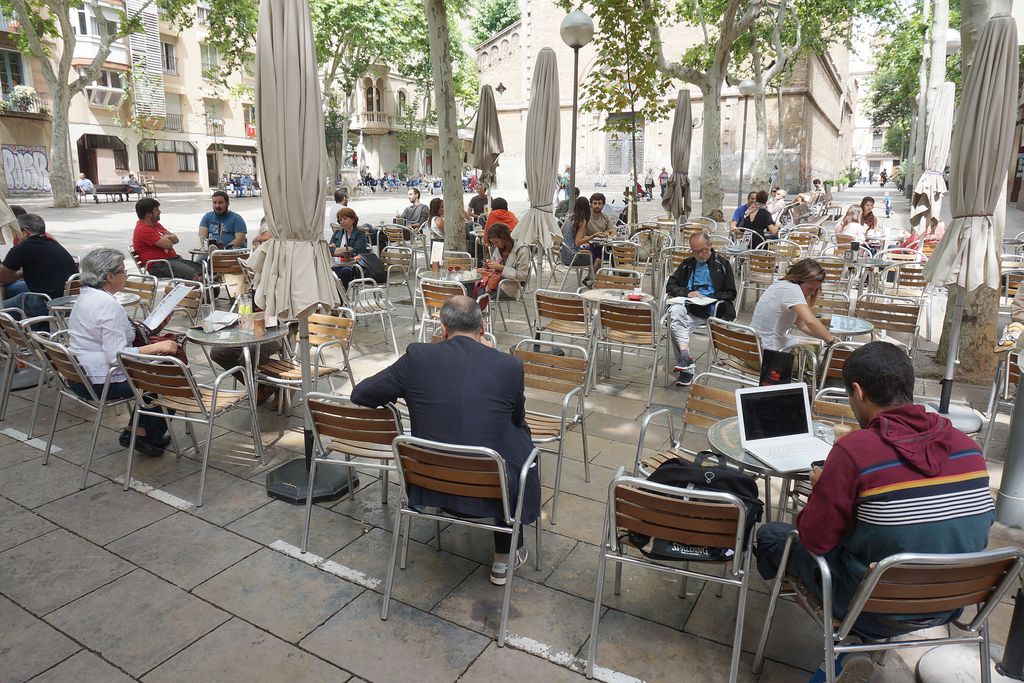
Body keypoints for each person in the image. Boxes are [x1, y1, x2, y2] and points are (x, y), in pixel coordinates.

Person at [755, 342, 993, 679]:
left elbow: (815, 541)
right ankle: (853, 643)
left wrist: (826, 488)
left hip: (873, 605)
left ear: (857, 391)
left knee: (772, 537)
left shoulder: (855, 451)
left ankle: (850, 638)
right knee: (875, 546)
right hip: (951, 602)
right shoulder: (970, 450)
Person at [351, 295, 540, 585]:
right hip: (491, 483)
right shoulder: (508, 365)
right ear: (483, 326)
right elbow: (516, 418)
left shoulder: (417, 357)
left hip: (428, 479)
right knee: (519, 442)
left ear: (442, 329)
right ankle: (503, 558)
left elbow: (361, 394)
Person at [68, 248, 177, 457]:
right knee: (171, 380)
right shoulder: (107, 305)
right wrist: (158, 347)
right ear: (109, 277)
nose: (125, 275)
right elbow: (117, 356)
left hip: (79, 375)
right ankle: (145, 436)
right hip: (98, 382)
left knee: (158, 371)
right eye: (122, 271)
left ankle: (135, 431)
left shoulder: (85, 297)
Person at [665, 231, 737, 386]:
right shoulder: (688, 263)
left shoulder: (722, 265)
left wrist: (711, 296)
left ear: (710, 245)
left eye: (703, 250)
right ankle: (686, 358)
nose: (700, 255)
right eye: (696, 252)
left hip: (712, 309)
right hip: (690, 307)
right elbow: (670, 285)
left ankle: (686, 369)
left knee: (676, 326)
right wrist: (688, 293)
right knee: (674, 313)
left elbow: (731, 293)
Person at [750, 259, 839, 351]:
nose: (813, 293)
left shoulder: (781, 284)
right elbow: (810, 321)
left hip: (753, 348)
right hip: (767, 352)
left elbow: (802, 324)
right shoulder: (792, 289)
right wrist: (830, 340)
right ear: (798, 280)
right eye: (810, 288)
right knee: (816, 353)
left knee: (813, 347)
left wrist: (826, 336)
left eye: (816, 289)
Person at [0, 214, 79, 317]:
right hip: (67, 301)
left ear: (25, 232)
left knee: (3, 310)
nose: (14, 236)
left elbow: (3, 277)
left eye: (15, 232)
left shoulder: (23, 248)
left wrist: (22, 273)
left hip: (45, 302)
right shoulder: (54, 243)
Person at [132, 198, 203, 280]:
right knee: (191, 273)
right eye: (156, 210)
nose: (159, 212)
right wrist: (167, 238)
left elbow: (176, 239)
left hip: (171, 260)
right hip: (158, 265)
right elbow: (169, 245)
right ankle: (187, 291)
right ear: (148, 214)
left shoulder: (155, 224)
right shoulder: (143, 229)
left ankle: (201, 289)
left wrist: (166, 237)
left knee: (203, 269)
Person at [481, 222, 532, 298]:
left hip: (508, 287)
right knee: (473, 288)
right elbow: (496, 265)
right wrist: (490, 266)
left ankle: (475, 308)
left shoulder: (521, 249)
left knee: (480, 295)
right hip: (495, 282)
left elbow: (522, 275)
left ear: (504, 238)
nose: (495, 245)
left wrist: (501, 268)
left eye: (496, 242)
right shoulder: (499, 249)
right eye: (493, 243)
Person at [329, 207, 370, 288]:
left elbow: (357, 251)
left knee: (345, 272)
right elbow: (330, 250)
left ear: (353, 220)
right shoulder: (337, 233)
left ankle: (340, 296)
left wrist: (337, 250)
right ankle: (341, 296)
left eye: (345, 219)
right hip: (337, 264)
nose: (342, 222)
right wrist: (346, 249)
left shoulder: (360, 234)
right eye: (340, 220)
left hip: (353, 265)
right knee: (328, 272)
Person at [559, 196, 601, 274]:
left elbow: (561, 231)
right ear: (587, 208)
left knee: (592, 251)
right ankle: (590, 279)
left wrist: (587, 237)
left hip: (564, 256)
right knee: (598, 257)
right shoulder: (582, 220)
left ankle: (590, 279)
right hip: (574, 257)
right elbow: (578, 242)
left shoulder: (570, 217)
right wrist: (594, 235)